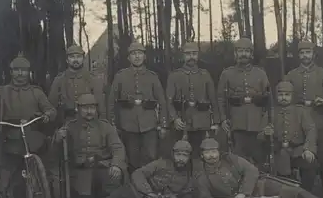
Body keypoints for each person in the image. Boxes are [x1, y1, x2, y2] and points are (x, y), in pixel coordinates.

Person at [48, 139, 195, 198]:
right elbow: (138, 174)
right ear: (173, 154)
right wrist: (148, 192)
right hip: (134, 191)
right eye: (178, 154)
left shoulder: (187, 178)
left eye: (185, 156)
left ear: (189, 158)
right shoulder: (160, 163)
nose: (181, 159)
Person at [0, 54, 57, 198]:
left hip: (32, 136)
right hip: (10, 136)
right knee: (11, 170)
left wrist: (48, 115)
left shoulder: (37, 92)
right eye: (17, 70)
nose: (20, 74)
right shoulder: (1, 91)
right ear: (11, 72)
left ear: (29, 72)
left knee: (43, 166)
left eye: (24, 70)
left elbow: (50, 108)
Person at [194, 138, 323, 198]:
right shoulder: (202, 177)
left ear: (219, 152)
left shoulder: (231, 159)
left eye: (214, 151)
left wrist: (244, 192)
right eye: (207, 153)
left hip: (259, 186)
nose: (211, 156)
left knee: (293, 191)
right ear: (202, 156)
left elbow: (251, 171)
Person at [50, 94, 127, 198]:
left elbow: (117, 147)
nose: (89, 111)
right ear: (78, 109)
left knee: (110, 196)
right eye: (85, 108)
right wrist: (58, 139)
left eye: (92, 108)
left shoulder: (105, 126)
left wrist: (116, 164)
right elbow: (56, 153)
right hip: (80, 172)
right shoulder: (70, 127)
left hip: (102, 167)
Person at [284, 41, 323, 193]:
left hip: (319, 117)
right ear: (298, 55)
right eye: (302, 53)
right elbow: (285, 98)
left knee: (321, 151)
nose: (305, 56)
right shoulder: (291, 75)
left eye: (308, 52)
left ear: (314, 54)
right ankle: (303, 185)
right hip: (298, 120)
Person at [107, 42, 168, 171]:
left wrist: (163, 124)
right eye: (133, 54)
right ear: (128, 58)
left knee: (151, 157)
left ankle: (150, 188)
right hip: (128, 125)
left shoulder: (152, 77)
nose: (137, 57)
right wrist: (112, 123)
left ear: (144, 57)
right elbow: (111, 101)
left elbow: (162, 102)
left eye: (140, 53)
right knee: (132, 159)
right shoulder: (120, 76)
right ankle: (133, 188)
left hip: (149, 124)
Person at [217, 37, 272, 171]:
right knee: (237, 160)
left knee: (259, 159)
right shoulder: (227, 74)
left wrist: (267, 122)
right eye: (240, 51)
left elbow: (268, 100)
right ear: (235, 54)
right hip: (236, 122)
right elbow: (220, 98)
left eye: (246, 51)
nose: (243, 54)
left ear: (251, 54)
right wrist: (223, 119)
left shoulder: (260, 73)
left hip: (257, 122)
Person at [258, 81, 318, 192]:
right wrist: (266, 133)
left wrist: (308, 149)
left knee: (309, 165)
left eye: (287, 95)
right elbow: (260, 136)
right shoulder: (270, 112)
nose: (283, 97)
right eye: (280, 95)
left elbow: (311, 130)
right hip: (278, 151)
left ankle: (306, 193)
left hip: (298, 150)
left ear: (292, 96)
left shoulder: (300, 111)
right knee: (282, 178)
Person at [166, 42, 220, 156]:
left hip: (202, 122)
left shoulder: (205, 75)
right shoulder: (174, 76)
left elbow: (213, 100)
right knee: (180, 154)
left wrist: (215, 121)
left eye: (194, 54)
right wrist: (174, 119)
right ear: (183, 56)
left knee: (200, 153)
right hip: (181, 121)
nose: (191, 57)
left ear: (198, 55)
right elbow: (168, 101)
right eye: (188, 54)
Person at [48, 44, 106, 125]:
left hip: (90, 124)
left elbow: (100, 105)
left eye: (78, 56)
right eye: (72, 57)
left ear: (83, 59)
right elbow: (51, 105)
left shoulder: (92, 79)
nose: (75, 60)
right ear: (67, 60)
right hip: (67, 123)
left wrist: (103, 125)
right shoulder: (59, 80)